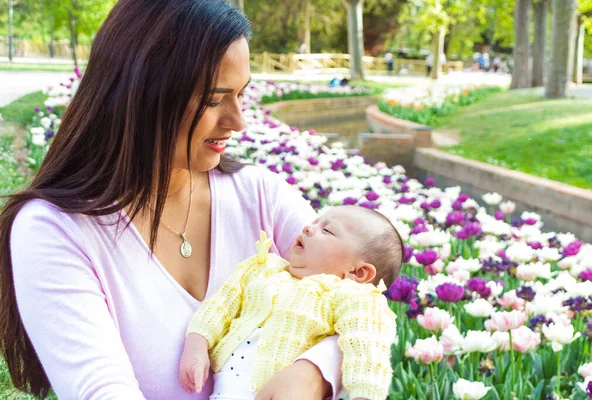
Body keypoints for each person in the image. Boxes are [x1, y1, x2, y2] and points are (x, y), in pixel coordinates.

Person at [0, 1, 345, 399]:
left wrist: (311, 372)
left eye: (241, 95)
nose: (238, 121)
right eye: (215, 100)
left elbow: (359, 304)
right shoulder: (55, 230)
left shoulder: (260, 196)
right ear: (145, 93)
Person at [180, 206, 403, 400]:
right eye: (314, 222)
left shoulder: (350, 296)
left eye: (327, 230)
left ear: (358, 272)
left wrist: (364, 394)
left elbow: (366, 345)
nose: (308, 228)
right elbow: (220, 306)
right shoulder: (261, 268)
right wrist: (197, 342)